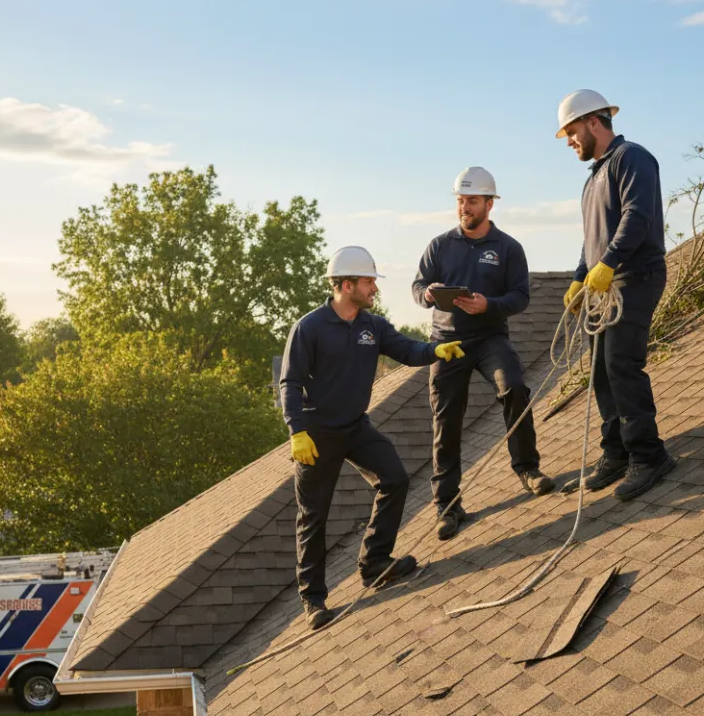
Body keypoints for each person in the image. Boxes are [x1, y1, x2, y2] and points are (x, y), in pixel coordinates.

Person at [280, 246, 465, 630]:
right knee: (314, 516)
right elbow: (290, 382)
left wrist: (436, 350)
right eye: (368, 282)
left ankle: (375, 563)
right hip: (316, 435)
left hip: (355, 427)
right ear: (346, 285)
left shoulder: (372, 327)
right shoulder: (310, 328)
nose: (375, 289)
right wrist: (297, 431)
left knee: (395, 478)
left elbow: (407, 349)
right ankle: (313, 599)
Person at [411, 167, 556, 541]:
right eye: (461, 200)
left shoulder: (508, 248)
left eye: (472, 201)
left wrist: (487, 304)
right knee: (446, 419)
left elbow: (520, 297)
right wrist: (428, 294)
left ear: (490, 204)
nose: (465, 207)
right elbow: (418, 287)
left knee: (515, 388)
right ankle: (447, 506)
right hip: (448, 342)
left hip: (490, 337)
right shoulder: (439, 245)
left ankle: (527, 469)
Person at [556, 89, 675, 501]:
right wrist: (580, 277)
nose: (570, 142)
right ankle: (617, 452)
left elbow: (637, 216)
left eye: (572, 132)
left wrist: (608, 263)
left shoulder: (631, 158)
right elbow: (591, 239)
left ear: (594, 122)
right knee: (601, 371)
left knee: (621, 363)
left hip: (635, 276)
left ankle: (649, 455)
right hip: (603, 284)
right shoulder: (592, 180)